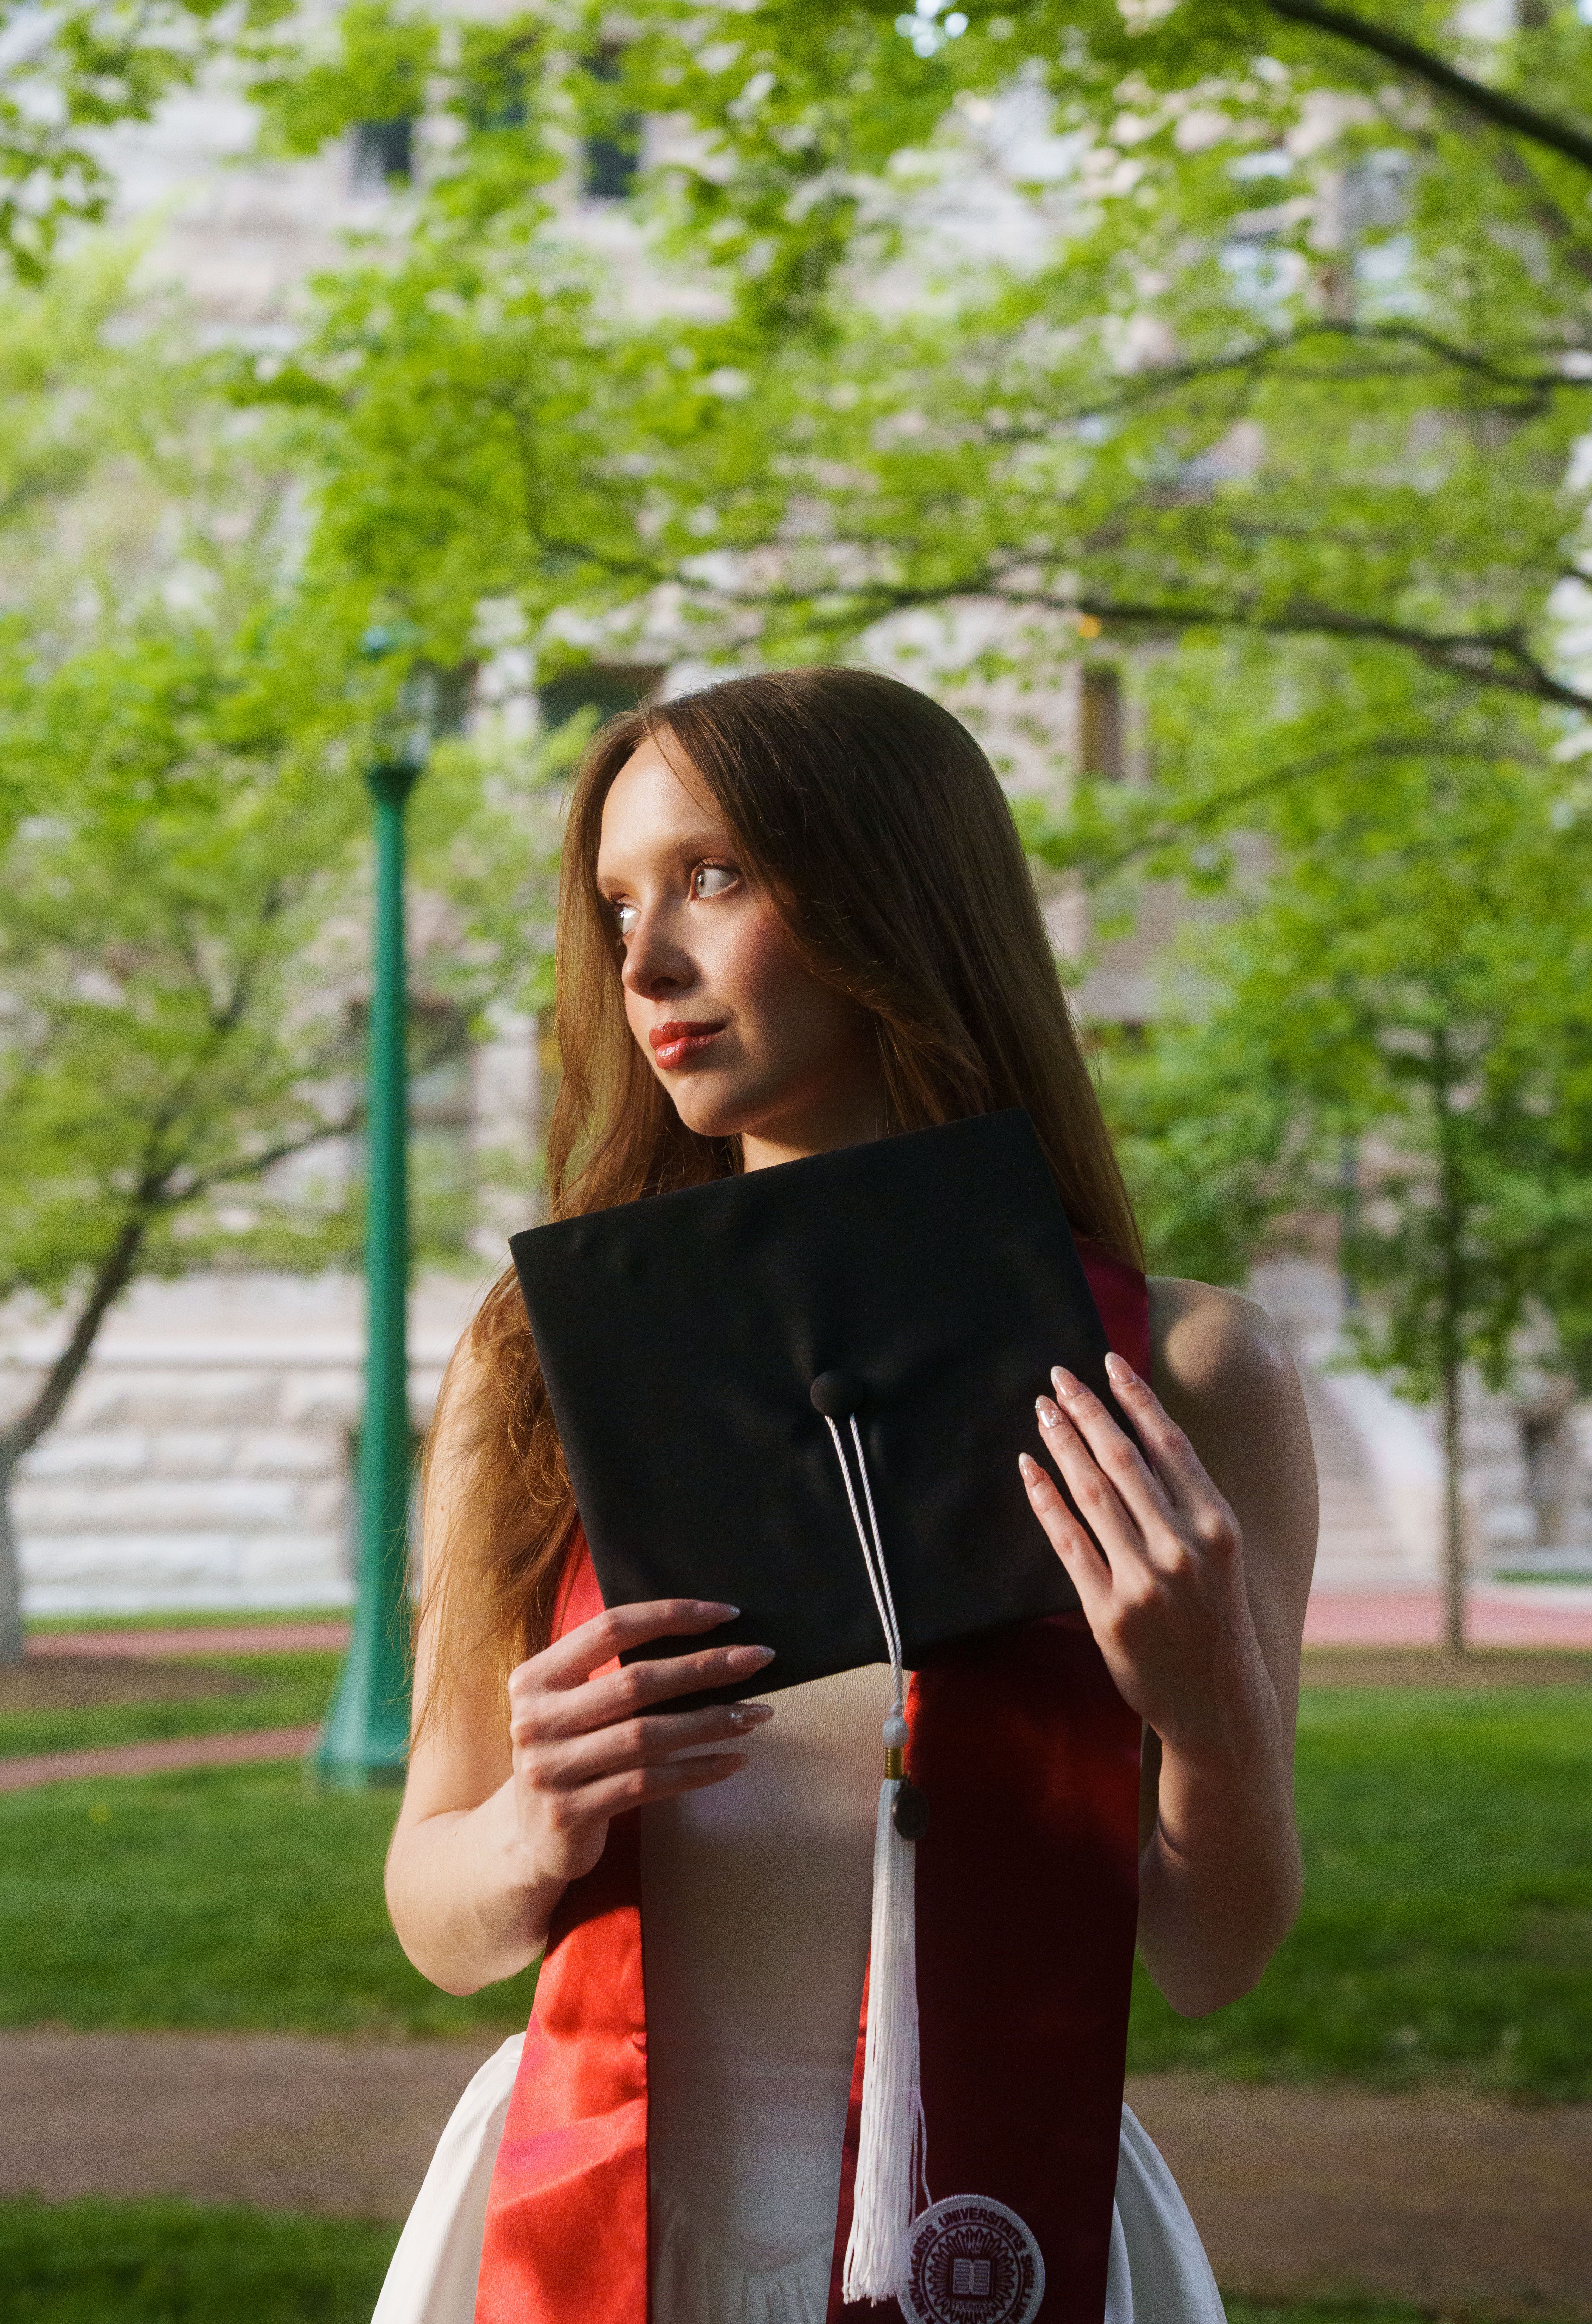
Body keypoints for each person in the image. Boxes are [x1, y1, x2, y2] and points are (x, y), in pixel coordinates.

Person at [379, 668, 1319, 2324]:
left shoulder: (1183, 1368)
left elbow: (1210, 1952)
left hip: (1000, 2231)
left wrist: (1207, 1715)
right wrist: (533, 1819)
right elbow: (437, 1918)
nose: (642, 959)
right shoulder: (535, 1364)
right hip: (590, 2222)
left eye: (713, 877)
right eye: (616, 900)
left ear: (895, 896)